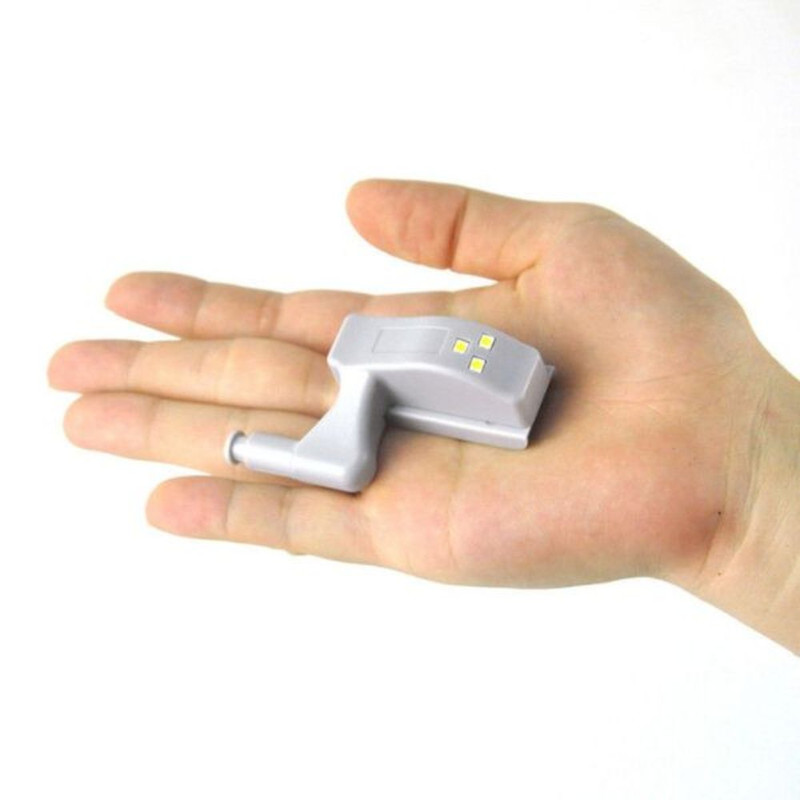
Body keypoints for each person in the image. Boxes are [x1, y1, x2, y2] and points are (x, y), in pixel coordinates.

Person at [48, 179, 800, 654]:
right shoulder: (379, 383)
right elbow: (348, 460)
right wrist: (751, 500)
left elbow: (348, 465)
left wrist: (753, 489)